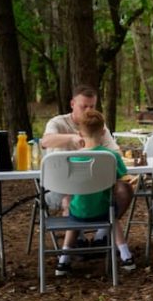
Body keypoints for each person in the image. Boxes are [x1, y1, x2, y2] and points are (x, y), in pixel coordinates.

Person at [41, 85, 132, 246]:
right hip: (61, 186)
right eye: (84, 106)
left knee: (125, 190)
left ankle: (102, 235)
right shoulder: (58, 122)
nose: (89, 110)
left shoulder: (98, 126)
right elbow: (45, 141)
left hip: (95, 185)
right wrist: (71, 138)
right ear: (72, 104)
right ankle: (78, 242)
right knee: (69, 197)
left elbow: (115, 153)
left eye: (92, 106)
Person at [55, 110, 137, 276]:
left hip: (77, 213)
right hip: (103, 211)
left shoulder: (71, 158)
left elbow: (65, 186)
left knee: (73, 213)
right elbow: (124, 178)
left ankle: (63, 262)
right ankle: (126, 256)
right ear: (103, 132)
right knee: (114, 218)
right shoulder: (111, 156)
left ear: (79, 133)